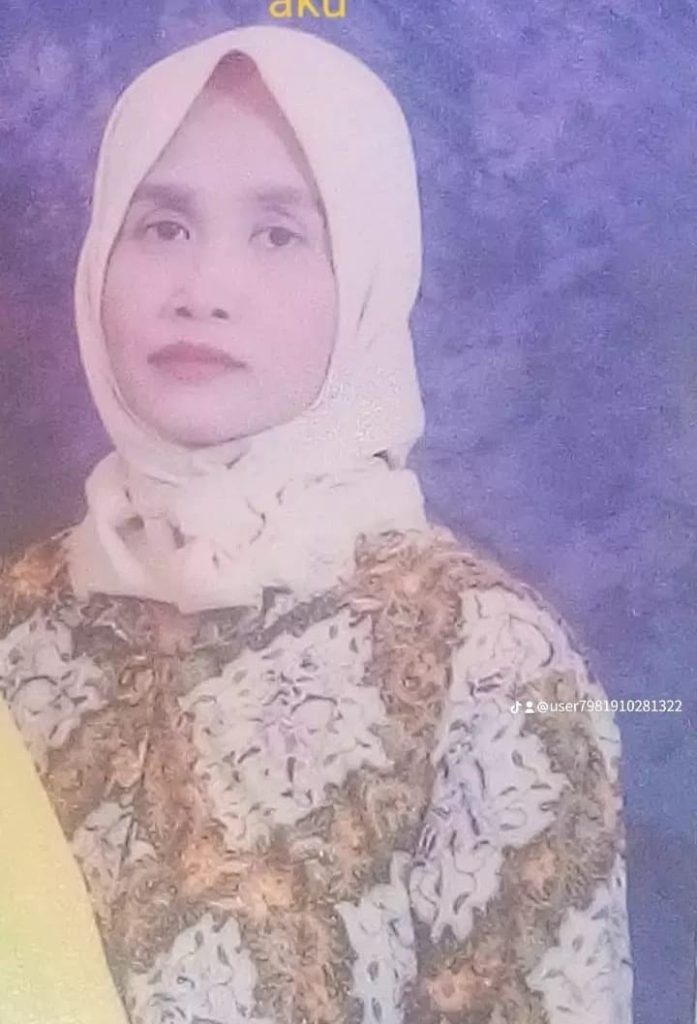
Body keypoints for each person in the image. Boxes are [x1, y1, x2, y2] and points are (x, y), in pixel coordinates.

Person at [0, 24, 633, 1024]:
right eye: (161, 226)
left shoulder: (486, 660)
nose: (203, 292)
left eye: (279, 233)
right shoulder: (19, 623)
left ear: (369, 280)